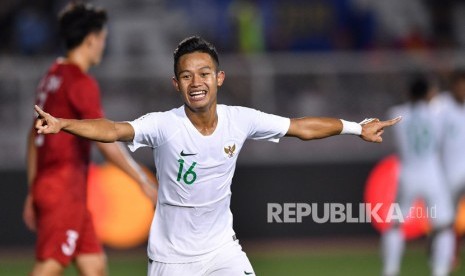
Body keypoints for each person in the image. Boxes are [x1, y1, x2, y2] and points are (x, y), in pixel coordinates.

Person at [33, 35, 400, 276]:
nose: (197, 83)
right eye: (187, 76)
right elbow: (113, 129)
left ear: (219, 78)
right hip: (171, 260)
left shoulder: (240, 120)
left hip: (222, 252)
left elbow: (301, 127)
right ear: (176, 84)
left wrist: (356, 127)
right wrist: (64, 123)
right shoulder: (164, 125)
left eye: (204, 73)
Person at [23, 2, 157, 276]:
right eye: (102, 39)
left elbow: (32, 135)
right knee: (50, 265)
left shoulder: (51, 78)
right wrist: (141, 180)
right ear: (91, 39)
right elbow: (105, 139)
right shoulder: (80, 83)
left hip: (59, 188)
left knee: (94, 265)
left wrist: (33, 188)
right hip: (64, 189)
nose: (103, 47)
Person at [382, 75, 455, 276]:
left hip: (407, 172)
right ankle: (440, 271)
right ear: (428, 93)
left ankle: (390, 270)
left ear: (409, 93)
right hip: (432, 173)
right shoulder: (439, 113)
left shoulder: (396, 113)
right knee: (443, 227)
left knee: (395, 224)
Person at [435, 70, 465, 269]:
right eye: (460, 85)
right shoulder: (441, 106)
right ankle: (443, 257)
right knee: (446, 219)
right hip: (449, 171)